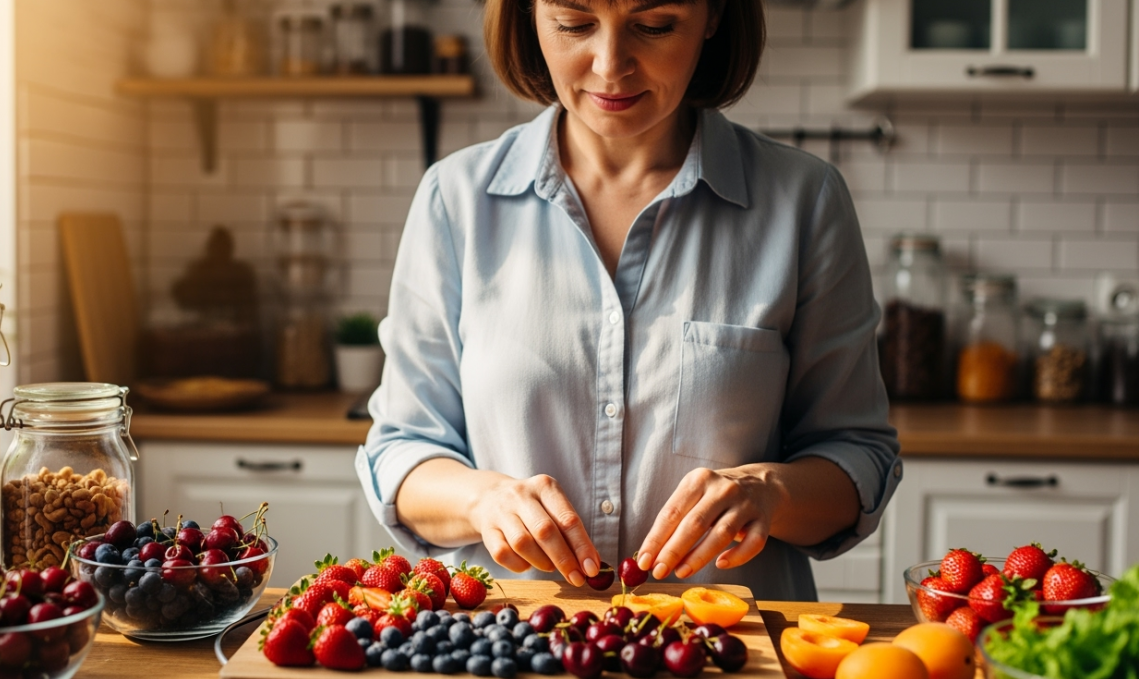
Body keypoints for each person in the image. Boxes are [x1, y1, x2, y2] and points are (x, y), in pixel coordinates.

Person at [354, 0, 901, 600]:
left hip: (728, 665)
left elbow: (858, 458)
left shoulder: (805, 200)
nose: (611, 65)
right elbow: (402, 452)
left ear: (713, 16)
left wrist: (769, 493)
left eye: (655, 26)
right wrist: (483, 499)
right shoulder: (453, 199)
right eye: (573, 24)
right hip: (510, 665)